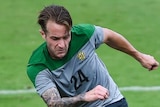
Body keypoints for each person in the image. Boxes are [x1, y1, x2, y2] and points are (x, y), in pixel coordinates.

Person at [27, 4, 159, 107]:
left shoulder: (84, 35)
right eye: (55, 39)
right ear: (43, 34)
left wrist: (140, 57)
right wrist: (84, 97)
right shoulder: (38, 66)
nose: (62, 44)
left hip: (110, 101)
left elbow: (109, 36)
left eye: (66, 37)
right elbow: (54, 103)